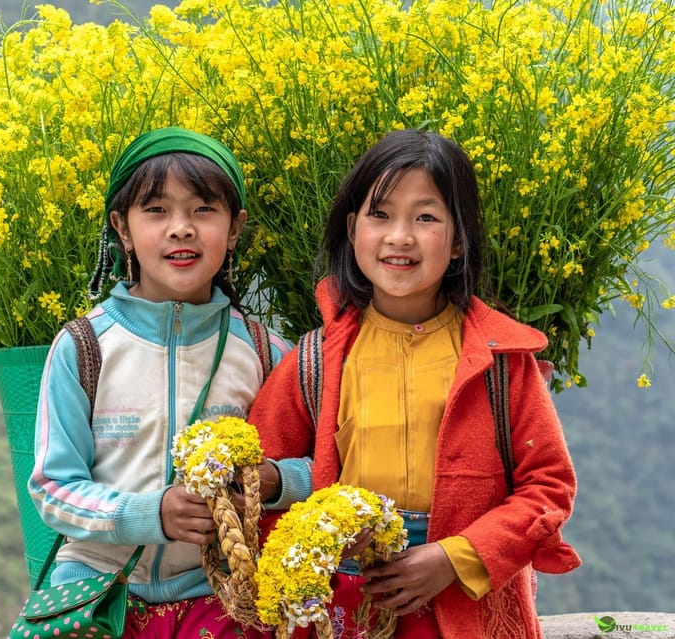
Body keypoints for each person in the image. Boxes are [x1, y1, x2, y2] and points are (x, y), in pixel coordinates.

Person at [250, 129, 581, 639]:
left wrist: (453, 558)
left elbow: (548, 486)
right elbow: (259, 484)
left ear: (457, 242)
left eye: (425, 217)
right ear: (352, 229)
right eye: (380, 215)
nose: (399, 237)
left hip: (465, 601)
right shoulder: (314, 361)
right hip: (345, 609)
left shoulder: (499, 361)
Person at [29, 127, 295, 638]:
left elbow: (318, 467)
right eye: (156, 210)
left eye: (203, 210)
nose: (181, 229)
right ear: (122, 229)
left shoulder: (266, 353)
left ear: (234, 228)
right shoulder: (84, 347)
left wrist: (275, 481)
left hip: (218, 596)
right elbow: (52, 489)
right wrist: (149, 513)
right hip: (95, 592)